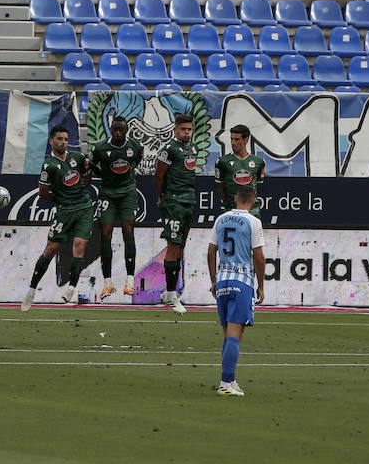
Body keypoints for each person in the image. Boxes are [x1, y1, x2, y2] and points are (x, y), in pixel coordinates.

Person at [21, 125, 94, 311]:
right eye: (59, 139)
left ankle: (71, 287)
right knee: (51, 249)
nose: (63, 142)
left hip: (84, 208)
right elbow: (43, 193)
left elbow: (87, 179)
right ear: (51, 141)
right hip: (64, 211)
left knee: (80, 245)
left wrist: (79, 194)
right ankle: (31, 290)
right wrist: (62, 199)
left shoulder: (77, 158)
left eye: (66, 139)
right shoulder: (49, 165)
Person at [207, 184, 266, 397]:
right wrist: (261, 285)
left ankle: (230, 380)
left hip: (222, 282)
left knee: (227, 334)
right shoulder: (253, 222)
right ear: (253, 200)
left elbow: (211, 251)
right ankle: (225, 383)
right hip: (241, 283)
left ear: (235, 198)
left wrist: (214, 280)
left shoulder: (221, 219)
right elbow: (258, 257)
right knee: (235, 334)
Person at [90, 116, 145, 300]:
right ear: (110, 129)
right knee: (105, 234)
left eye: (121, 129)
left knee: (128, 232)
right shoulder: (100, 148)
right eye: (115, 129)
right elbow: (94, 168)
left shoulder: (135, 147)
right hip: (107, 193)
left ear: (127, 130)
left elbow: (134, 163)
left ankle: (130, 281)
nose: (118, 132)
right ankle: (107, 283)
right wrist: (102, 173)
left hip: (127, 193)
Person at [155, 114, 200, 315]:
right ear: (175, 129)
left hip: (188, 201)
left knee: (180, 246)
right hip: (173, 201)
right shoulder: (169, 149)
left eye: (189, 129)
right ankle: (172, 293)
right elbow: (159, 174)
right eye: (183, 129)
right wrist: (162, 196)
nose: (187, 132)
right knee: (173, 246)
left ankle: (169, 293)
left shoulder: (193, 148)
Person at [214, 124, 266, 218]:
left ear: (246, 140)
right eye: (232, 139)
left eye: (237, 139)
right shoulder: (222, 161)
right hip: (231, 210)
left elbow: (256, 185)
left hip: (253, 211)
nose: (233, 142)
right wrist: (229, 204)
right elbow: (220, 187)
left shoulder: (259, 162)